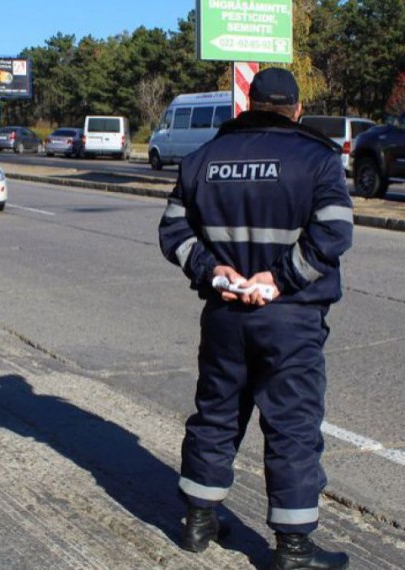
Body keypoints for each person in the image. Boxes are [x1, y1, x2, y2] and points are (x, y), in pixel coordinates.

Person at [158, 68, 353, 569]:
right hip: (290, 319)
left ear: (249, 102)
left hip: (223, 313)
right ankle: (293, 549)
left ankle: (198, 522)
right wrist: (279, 279)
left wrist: (213, 271)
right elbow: (333, 235)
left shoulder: (204, 158)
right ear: (297, 108)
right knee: (291, 427)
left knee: (217, 413)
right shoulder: (318, 159)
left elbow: (173, 232)